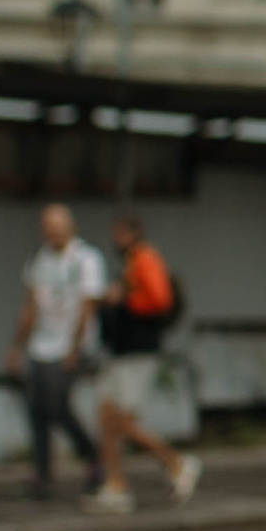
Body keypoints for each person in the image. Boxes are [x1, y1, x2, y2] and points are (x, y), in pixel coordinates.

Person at [87, 214, 200, 513]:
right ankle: (116, 487)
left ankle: (177, 462)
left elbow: (159, 300)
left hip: (138, 353)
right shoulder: (129, 262)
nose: (115, 239)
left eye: (119, 232)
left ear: (133, 233)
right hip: (120, 352)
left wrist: (123, 298)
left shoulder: (145, 258)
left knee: (122, 422)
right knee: (105, 418)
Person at [6, 202, 108, 499]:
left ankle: (91, 455)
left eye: (57, 228)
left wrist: (74, 349)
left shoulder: (85, 259)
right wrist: (17, 347)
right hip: (42, 344)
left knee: (56, 404)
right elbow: (30, 308)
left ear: (69, 228)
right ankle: (42, 470)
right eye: (47, 228)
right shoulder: (39, 260)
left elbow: (87, 308)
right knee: (36, 407)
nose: (52, 234)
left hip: (72, 345)